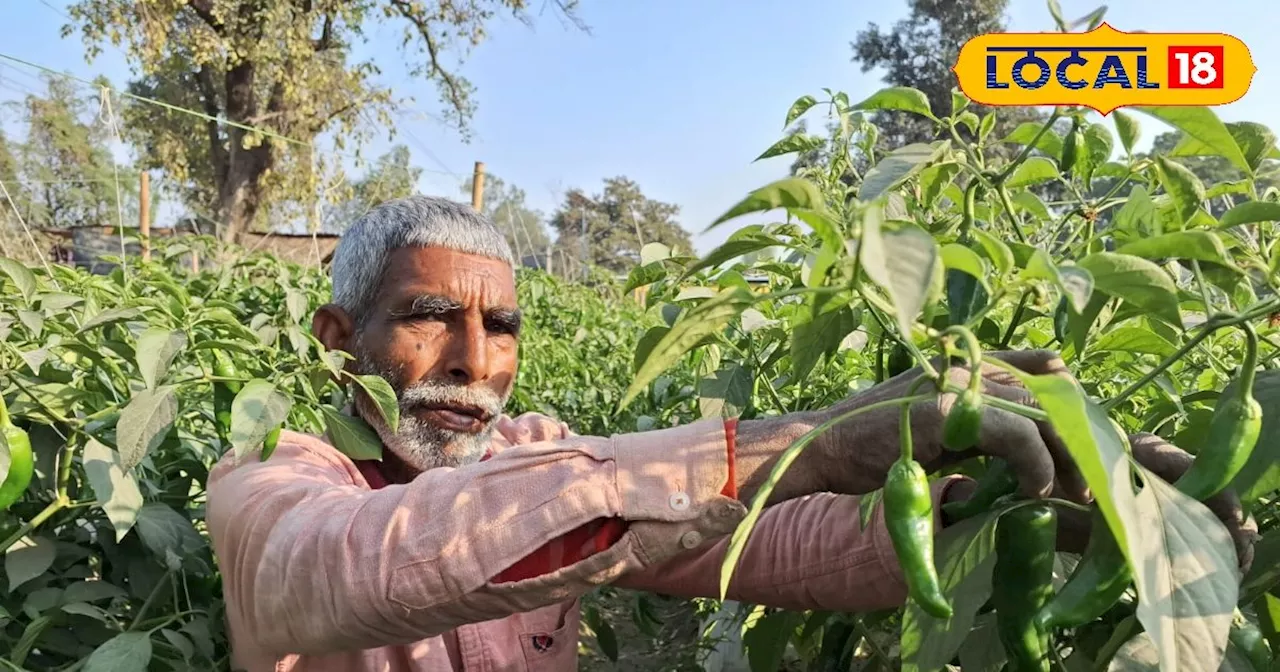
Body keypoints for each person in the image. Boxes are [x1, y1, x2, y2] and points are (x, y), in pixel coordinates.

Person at [206, 195, 1257, 672]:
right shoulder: (272, 476)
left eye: (502, 328)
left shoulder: (535, 447)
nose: (474, 363)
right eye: (430, 317)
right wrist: (799, 440)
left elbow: (750, 541)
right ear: (338, 337)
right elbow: (341, 571)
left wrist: (994, 505)